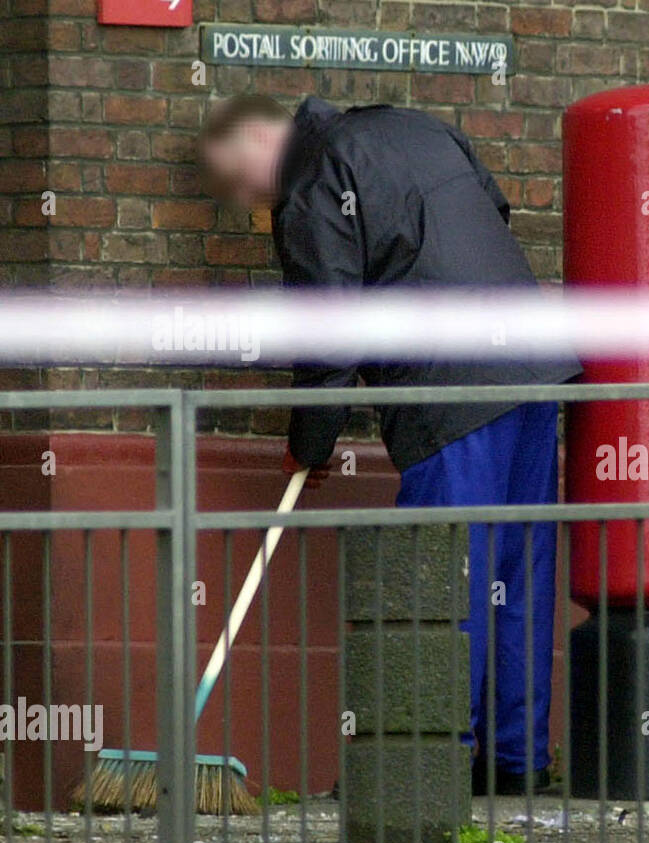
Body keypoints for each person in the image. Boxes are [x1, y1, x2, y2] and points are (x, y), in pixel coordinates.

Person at [199, 95, 581, 796]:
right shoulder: (416, 123)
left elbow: (328, 330)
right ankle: (513, 764)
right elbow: (491, 211)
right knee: (515, 579)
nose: (249, 200)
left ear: (261, 137)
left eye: (240, 180)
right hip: (532, 367)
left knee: (442, 582)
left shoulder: (311, 184)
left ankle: (424, 766)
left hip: (447, 387)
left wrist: (309, 444)